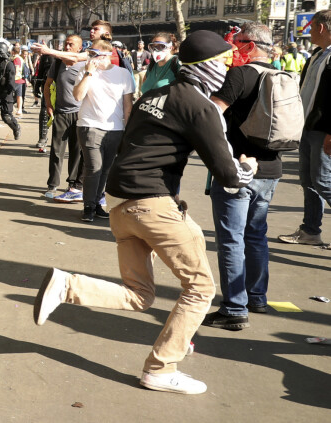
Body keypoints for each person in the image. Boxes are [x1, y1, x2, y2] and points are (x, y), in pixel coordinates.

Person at [33, 30, 257, 395]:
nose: (229, 70)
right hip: (151, 203)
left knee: (140, 293)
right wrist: (249, 168)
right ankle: (161, 368)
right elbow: (229, 174)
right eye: (226, 63)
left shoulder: (155, 94)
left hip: (120, 203)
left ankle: (67, 286)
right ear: (209, 67)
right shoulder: (200, 106)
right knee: (200, 289)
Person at [203, 22, 281, 330]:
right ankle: (256, 296)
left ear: (250, 45)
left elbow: (210, 113)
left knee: (231, 239)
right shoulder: (281, 75)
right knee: (256, 235)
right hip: (271, 169)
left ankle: (235, 308)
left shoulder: (240, 75)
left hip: (240, 168)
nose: (233, 47)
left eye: (237, 43)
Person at [278, 10, 331, 246]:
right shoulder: (317, 55)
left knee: (322, 181)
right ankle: (310, 231)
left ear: (321, 27)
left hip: (323, 130)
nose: (307, 31)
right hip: (307, 127)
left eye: (311, 27)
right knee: (308, 181)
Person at [72, 39, 134, 221]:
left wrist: (128, 130)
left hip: (115, 129)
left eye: (94, 54)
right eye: (89, 54)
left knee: (106, 169)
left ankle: (97, 202)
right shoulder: (85, 70)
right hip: (89, 125)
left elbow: (128, 105)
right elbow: (77, 96)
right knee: (94, 167)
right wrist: (89, 74)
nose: (90, 58)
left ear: (107, 55)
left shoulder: (122, 74)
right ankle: (88, 207)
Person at [43, 34, 84, 201]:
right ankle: (52, 184)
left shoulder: (84, 64)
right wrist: (48, 104)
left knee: (76, 152)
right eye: (66, 44)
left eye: (71, 45)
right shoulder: (58, 62)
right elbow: (47, 84)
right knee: (56, 151)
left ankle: (72, 184)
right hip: (61, 113)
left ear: (79, 49)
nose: (67, 47)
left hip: (80, 114)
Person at [11, 43, 26, 116]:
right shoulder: (20, 58)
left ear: (13, 52)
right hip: (20, 79)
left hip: (16, 79)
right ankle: (19, 109)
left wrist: (12, 77)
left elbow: (16, 69)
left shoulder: (16, 59)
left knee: (13, 95)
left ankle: (15, 109)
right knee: (19, 95)